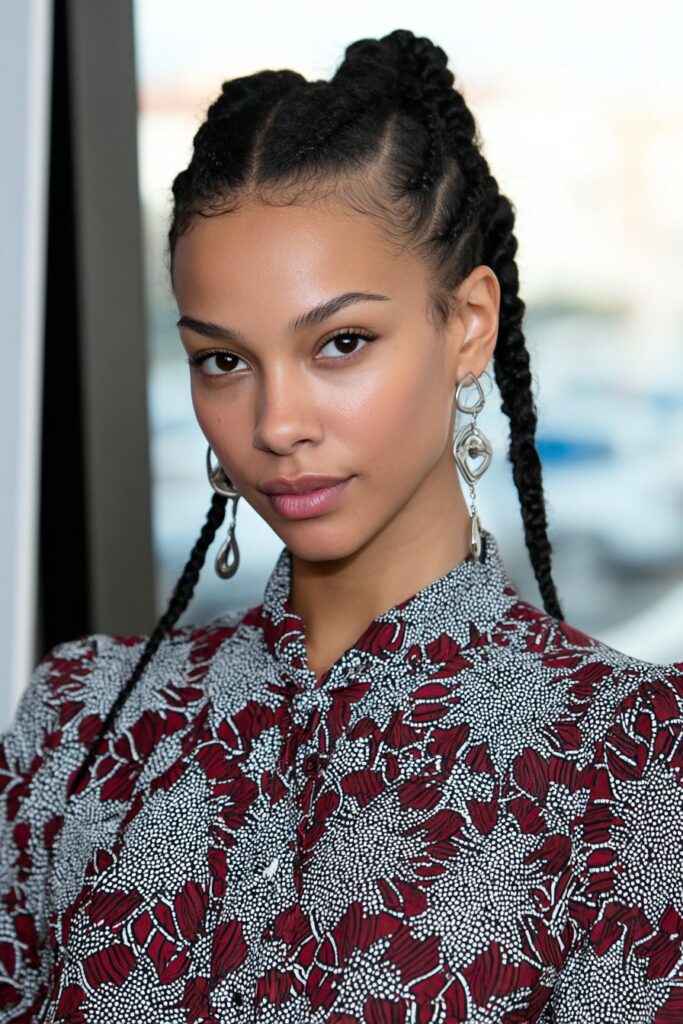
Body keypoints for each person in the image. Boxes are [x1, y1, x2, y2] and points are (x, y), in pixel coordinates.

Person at [1, 28, 681, 1024]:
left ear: (468, 325)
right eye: (222, 360)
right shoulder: (79, 721)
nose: (275, 424)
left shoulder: (636, 756)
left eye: (340, 342)